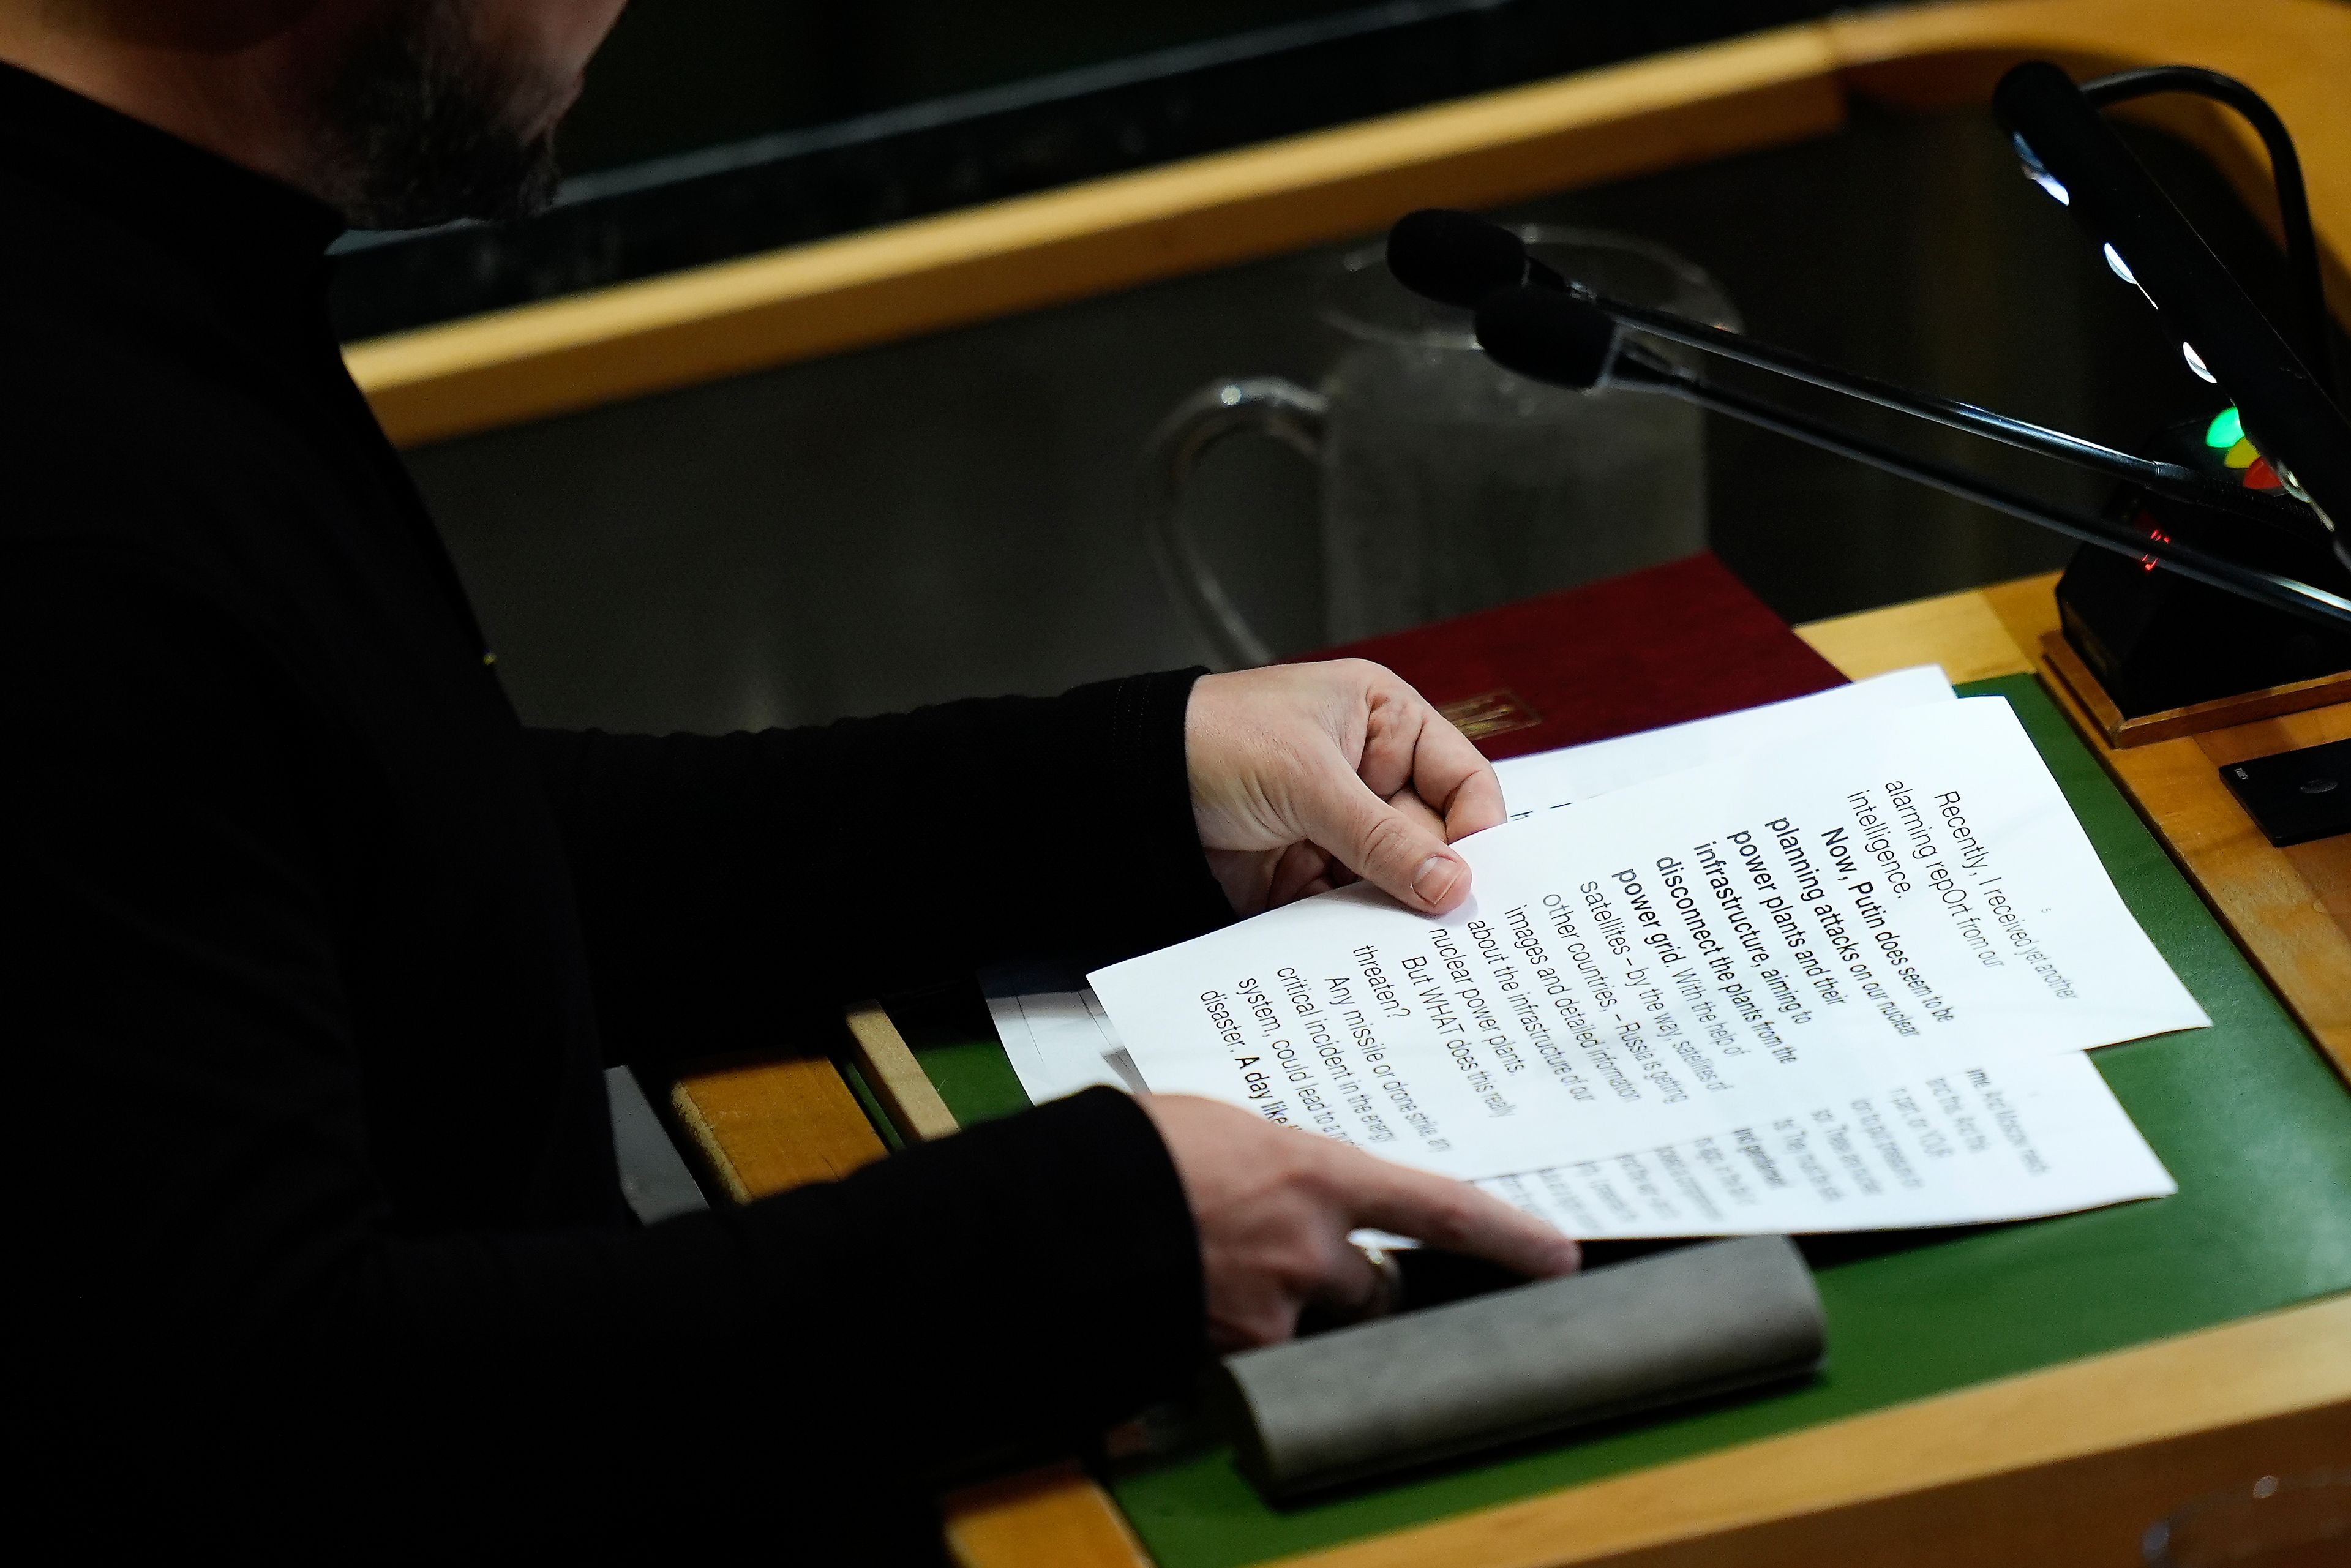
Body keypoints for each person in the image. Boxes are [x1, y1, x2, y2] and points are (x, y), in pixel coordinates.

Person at [2, 2, 1578, 1556]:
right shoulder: (70, 474)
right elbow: (274, 1413)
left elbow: (396, 858)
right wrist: (1103, 1240)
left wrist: (1124, 785)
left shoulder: (135, 266)